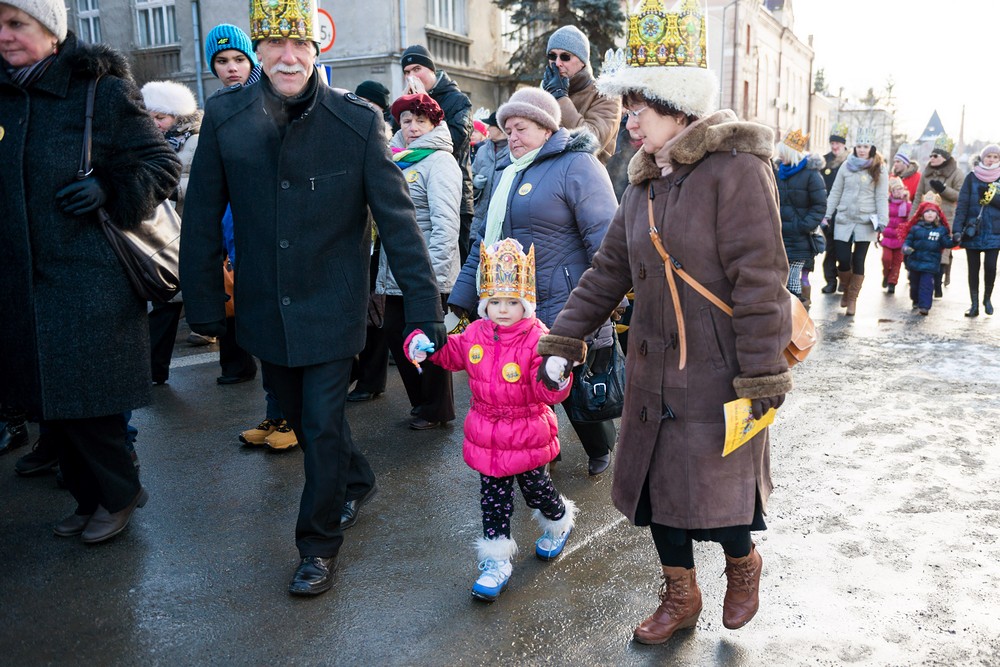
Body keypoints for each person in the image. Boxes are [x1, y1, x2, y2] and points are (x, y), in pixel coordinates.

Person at [539, 1, 791, 643]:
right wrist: (564, 338)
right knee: (657, 493)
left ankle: (742, 563)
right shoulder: (642, 186)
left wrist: (762, 377)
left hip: (720, 371)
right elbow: (606, 271)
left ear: (677, 107)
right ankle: (680, 596)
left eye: (638, 111)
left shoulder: (736, 171)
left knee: (722, 490)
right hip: (653, 369)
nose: (628, 125)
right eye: (626, 110)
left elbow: (761, 279)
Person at [180, 0, 444, 597]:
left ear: (317, 48)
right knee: (298, 415)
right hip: (264, 306)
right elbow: (200, 217)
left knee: (321, 425)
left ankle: (318, 546)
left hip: (334, 302)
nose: (288, 57)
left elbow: (398, 224)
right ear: (259, 50)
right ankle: (356, 479)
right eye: (275, 45)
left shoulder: (357, 121)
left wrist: (424, 311)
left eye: (299, 45)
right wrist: (200, 301)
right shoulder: (226, 117)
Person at [0, 0, 180, 542]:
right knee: (50, 407)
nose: (4, 36)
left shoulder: (98, 88)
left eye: (16, 24)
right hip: (20, 280)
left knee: (89, 404)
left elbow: (160, 164)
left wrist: (109, 186)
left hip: (88, 277)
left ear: (51, 30)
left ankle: (120, 494)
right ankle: (86, 498)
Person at [449, 87, 620, 477]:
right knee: (531, 387)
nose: (511, 137)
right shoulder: (508, 174)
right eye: (507, 129)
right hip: (521, 307)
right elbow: (485, 242)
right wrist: (460, 300)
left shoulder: (578, 164)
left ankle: (599, 448)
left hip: (569, 300)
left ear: (546, 127)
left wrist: (609, 300)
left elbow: (606, 236)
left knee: (574, 385)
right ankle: (545, 452)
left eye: (520, 128)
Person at [406, 238, 578, 602]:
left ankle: (558, 520)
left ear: (525, 303)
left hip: (528, 431)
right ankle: (497, 562)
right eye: (495, 302)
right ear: (486, 303)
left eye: (512, 303)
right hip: (487, 433)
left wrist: (556, 374)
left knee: (537, 490)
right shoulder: (475, 332)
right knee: (493, 500)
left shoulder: (538, 337)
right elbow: (455, 353)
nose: (502, 310)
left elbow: (548, 392)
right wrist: (431, 346)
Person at [376, 93, 462, 430]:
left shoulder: (439, 162)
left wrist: (435, 276)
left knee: (427, 338)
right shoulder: (396, 158)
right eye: (407, 121)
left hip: (426, 273)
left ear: (434, 123)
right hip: (397, 271)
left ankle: (437, 408)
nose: (412, 128)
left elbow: (445, 225)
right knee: (396, 334)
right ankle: (420, 402)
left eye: (420, 121)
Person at [203, 23, 261, 388]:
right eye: (222, 61)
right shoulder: (217, 105)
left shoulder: (267, 95)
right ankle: (241, 368)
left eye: (239, 58)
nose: (231, 67)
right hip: (231, 217)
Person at [140, 80, 201, 386]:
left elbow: (205, 184)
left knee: (215, 298)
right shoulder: (145, 143)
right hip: (161, 233)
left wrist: (170, 188)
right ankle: (154, 370)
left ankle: (237, 363)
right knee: (166, 300)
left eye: (161, 117)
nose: (155, 123)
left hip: (192, 228)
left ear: (178, 116)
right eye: (149, 116)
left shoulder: (195, 141)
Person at [401, 44, 474, 264]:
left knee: (453, 264)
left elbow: (455, 139)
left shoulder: (458, 99)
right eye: (406, 72)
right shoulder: (407, 102)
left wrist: (427, 103)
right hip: (417, 195)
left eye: (416, 69)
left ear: (431, 70)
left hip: (455, 197)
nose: (412, 76)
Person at [346, 79, 394, 403]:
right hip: (356, 238)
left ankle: (371, 380)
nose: (364, 108)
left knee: (377, 313)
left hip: (382, 241)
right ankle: (353, 373)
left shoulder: (390, 140)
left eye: (371, 104)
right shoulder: (349, 132)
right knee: (355, 309)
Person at [821, 127, 889, 316]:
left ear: (871, 147)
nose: (861, 149)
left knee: (859, 260)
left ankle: (851, 299)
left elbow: (882, 196)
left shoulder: (878, 168)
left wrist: (882, 220)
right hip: (844, 218)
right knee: (842, 258)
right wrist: (826, 214)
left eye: (865, 146)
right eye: (859, 145)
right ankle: (845, 284)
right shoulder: (846, 165)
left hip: (865, 221)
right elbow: (835, 191)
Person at [541, 25, 621, 164]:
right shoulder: (546, 92)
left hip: (584, 179)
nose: (557, 63)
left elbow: (592, 140)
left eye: (565, 57)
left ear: (582, 62)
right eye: (552, 56)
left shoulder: (606, 94)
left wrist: (560, 97)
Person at [775, 129, 826, 307]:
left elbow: (819, 205)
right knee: (781, 277)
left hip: (800, 237)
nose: (779, 156)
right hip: (780, 235)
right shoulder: (776, 173)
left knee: (794, 277)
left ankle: (797, 315)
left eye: (782, 152)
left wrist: (804, 226)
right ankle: (788, 315)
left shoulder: (811, 174)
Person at [952, 143, 1000, 316]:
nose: (991, 160)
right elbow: (962, 205)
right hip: (973, 229)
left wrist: (993, 198)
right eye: (989, 156)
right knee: (973, 268)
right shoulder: (971, 177)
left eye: (995, 157)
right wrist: (957, 229)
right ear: (982, 157)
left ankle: (987, 299)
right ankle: (974, 305)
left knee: (991, 267)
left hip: (995, 231)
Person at [915, 134, 964, 296]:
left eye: (935, 156)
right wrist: (912, 218)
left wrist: (943, 189)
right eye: (930, 155)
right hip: (925, 217)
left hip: (946, 217)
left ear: (944, 157)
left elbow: (960, 196)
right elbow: (917, 196)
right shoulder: (926, 173)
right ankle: (928, 282)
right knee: (926, 248)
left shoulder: (956, 173)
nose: (932, 158)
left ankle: (938, 282)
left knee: (942, 250)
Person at [903, 193, 952, 316]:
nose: (930, 214)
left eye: (932, 211)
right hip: (915, 262)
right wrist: (906, 248)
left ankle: (924, 306)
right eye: (927, 211)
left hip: (930, 264)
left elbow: (947, 243)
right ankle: (915, 300)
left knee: (926, 285)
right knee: (914, 285)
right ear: (922, 214)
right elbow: (908, 241)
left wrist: (955, 240)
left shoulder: (941, 230)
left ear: (937, 214)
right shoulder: (915, 229)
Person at [819, 122, 850, 294]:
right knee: (830, 248)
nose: (835, 146)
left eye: (837, 143)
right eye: (832, 143)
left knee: (843, 248)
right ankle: (830, 280)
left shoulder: (851, 161)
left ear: (843, 143)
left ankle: (844, 278)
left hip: (846, 210)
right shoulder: (825, 160)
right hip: (829, 210)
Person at [470, 111, 510, 240]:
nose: (487, 128)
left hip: (502, 224)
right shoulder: (482, 150)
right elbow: (471, 176)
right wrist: (474, 183)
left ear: (500, 128)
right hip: (479, 221)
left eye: (490, 125)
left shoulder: (514, 150)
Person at [881, 176, 911, 295]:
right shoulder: (886, 204)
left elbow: (910, 221)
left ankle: (892, 283)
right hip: (888, 238)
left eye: (900, 189)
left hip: (900, 239)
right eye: (896, 190)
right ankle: (886, 275)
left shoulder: (908, 205)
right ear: (891, 192)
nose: (899, 192)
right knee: (886, 259)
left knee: (897, 263)